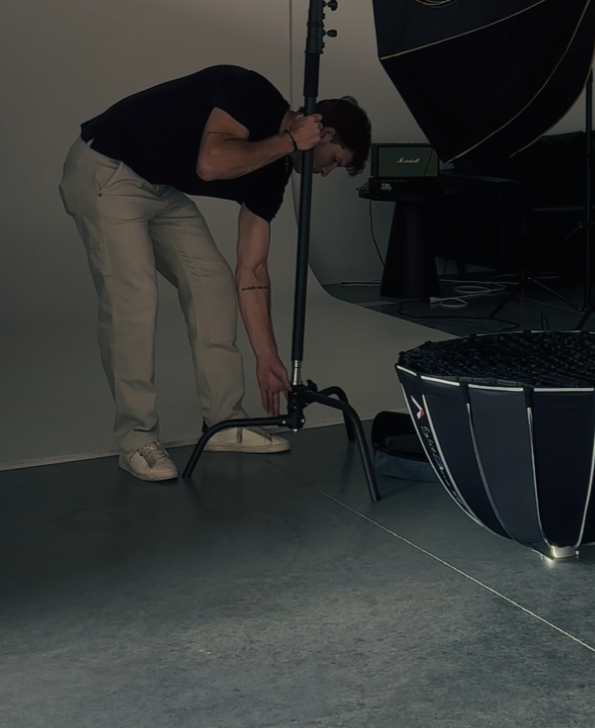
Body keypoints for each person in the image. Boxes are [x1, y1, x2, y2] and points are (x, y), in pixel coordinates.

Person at [60, 65, 371, 483]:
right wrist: (288, 141)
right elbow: (211, 162)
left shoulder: (273, 176)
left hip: (158, 187)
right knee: (133, 299)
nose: (325, 172)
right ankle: (136, 439)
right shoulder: (249, 90)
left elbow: (252, 268)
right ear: (323, 134)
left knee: (213, 282)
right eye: (334, 160)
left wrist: (266, 356)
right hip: (107, 169)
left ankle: (225, 421)